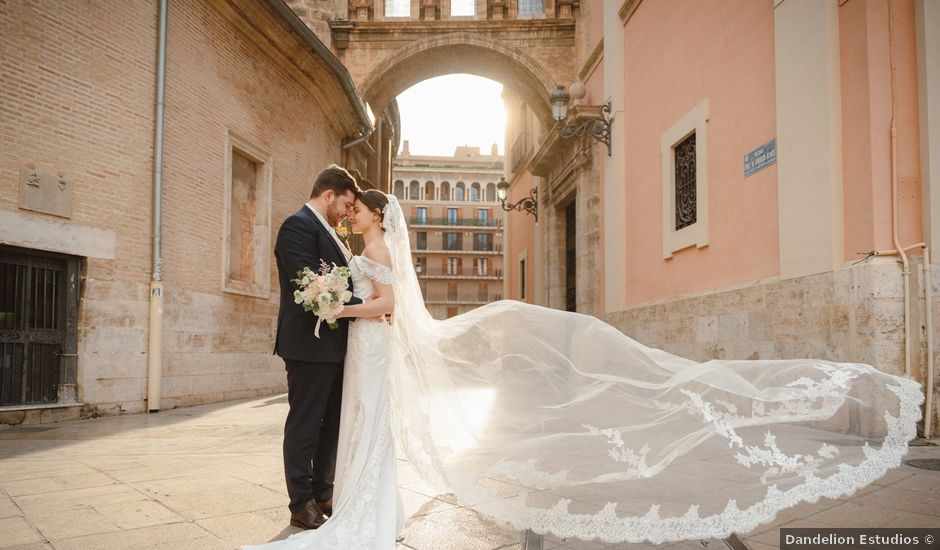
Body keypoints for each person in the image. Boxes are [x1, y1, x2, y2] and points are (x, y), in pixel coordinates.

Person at [255, 192, 922, 548]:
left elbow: (391, 304)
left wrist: (340, 310)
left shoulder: (372, 247)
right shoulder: (359, 245)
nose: (355, 215)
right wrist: (343, 306)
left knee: (372, 425)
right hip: (366, 349)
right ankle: (357, 503)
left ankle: (360, 510)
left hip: (368, 338)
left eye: (361, 209)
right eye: (356, 209)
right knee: (369, 425)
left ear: (373, 214)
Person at [272, 165, 364, 531]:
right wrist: (366, 308)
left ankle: (323, 491)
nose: (347, 212)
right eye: (346, 203)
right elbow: (311, 287)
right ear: (329, 195)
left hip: (336, 346)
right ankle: (300, 501)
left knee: (332, 425)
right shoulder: (297, 226)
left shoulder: (332, 231)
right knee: (306, 424)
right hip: (308, 346)